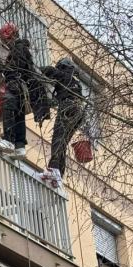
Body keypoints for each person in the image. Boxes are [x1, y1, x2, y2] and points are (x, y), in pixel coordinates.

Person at [0, 22, 50, 158]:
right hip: (23, 87)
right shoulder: (21, 48)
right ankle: (20, 146)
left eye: (4, 39)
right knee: (18, 114)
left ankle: (8, 140)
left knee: (8, 105)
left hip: (16, 84)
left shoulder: (19, 48)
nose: (3, 41)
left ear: (8, 36)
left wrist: (2, 68)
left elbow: (17, 67)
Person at [37, 56, 86, 188]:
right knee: (62, 142)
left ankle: (54, 169)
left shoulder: (63, 75)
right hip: (79, 113)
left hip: (67, 108)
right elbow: (58, 98)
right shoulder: (76, 83)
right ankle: (58, 175)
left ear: (63, 66)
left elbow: (49, 70)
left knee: (58, 139)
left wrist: (34, 68)